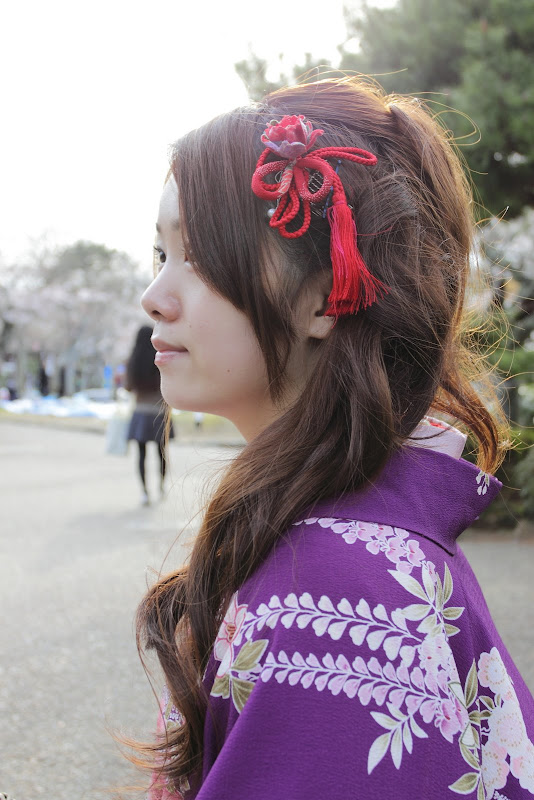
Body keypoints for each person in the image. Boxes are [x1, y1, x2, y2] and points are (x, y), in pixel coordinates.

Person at [135, 78, 534, 799]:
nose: (154, 297)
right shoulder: (340, 542)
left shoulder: (326, 588)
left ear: (324, 295)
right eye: (160, 255)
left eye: (200, 256)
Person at [125, 325, 173, 505]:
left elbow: (128, 387)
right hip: (159, 412)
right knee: (162, 453)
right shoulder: (160, 358)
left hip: (140, 412)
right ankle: (161, 486)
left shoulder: (132, 362)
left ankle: (145, 492)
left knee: (141, 455)